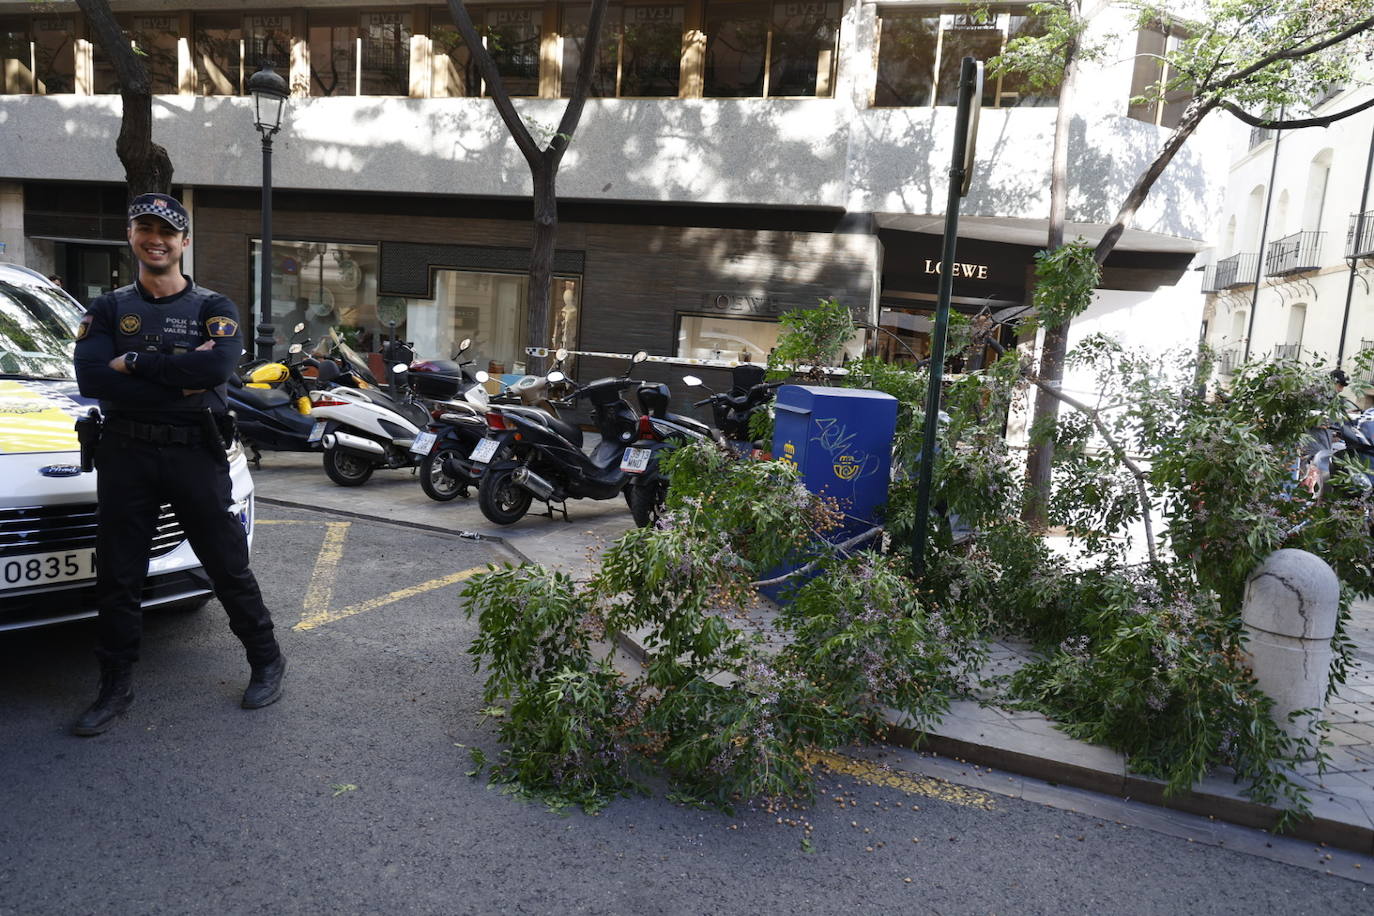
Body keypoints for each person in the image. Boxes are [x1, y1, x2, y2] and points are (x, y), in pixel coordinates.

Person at [71, 192, 285, 736]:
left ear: (184, 241)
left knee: (226, 565)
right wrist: (178, 376)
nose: (156, 239)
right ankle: (114, 686)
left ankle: (266, 660)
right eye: (145, 228)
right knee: (119, 576)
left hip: (195, 450)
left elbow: (216, 369)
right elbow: (93, 380)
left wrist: (138, 361)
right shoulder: (107, 309)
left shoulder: (215, 307)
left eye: (167, 231)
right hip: (125, 452)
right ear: (131, 237)